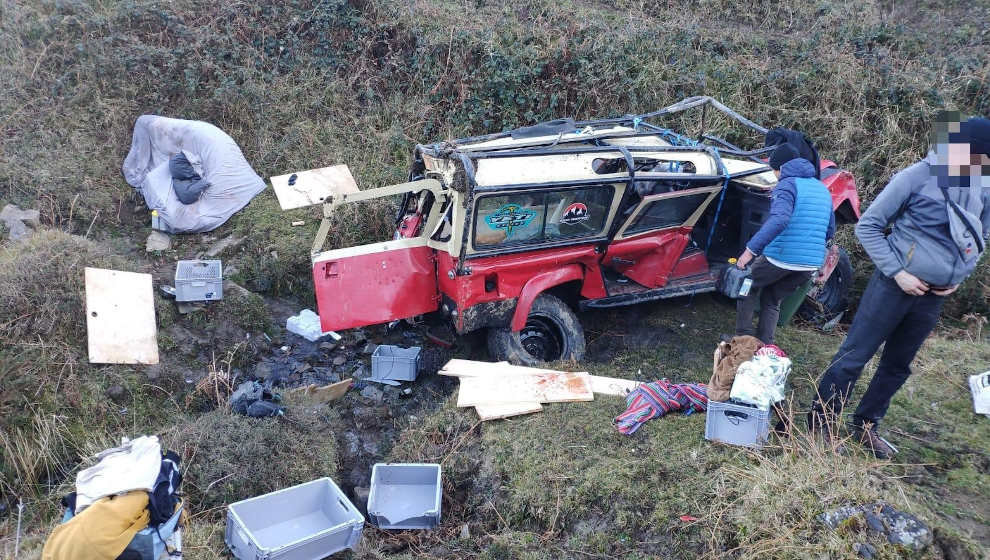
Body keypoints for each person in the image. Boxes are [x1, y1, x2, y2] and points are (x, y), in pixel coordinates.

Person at [809, 115, 990, 458]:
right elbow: (869, 227)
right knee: (854, 356)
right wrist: (898, 273)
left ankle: (866, 426)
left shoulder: (983, 184)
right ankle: (821, 425)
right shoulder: (916, 177)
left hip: (933, 297)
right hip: (893, 287)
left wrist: (957, 279)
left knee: (898, 365)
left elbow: (980, 236)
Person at [734, 142, 835, 344]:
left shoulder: (786, 185)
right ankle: (764, 346)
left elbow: (779, 219)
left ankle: (742, 341)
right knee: (772, 299)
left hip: (782, 257)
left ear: (779, 168)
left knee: (746, 286)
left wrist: (750, 251)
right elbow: (830, 229)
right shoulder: (821, 188)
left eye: (774, 170)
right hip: (809, 265)